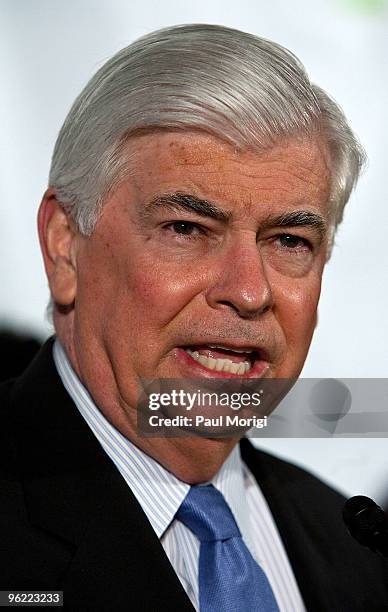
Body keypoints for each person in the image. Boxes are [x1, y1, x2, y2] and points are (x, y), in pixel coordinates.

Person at [1, 23, 387, 612]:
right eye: (187, 229)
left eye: (288, 240)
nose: (250, 292)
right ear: (64, 245)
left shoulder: (355, 547)